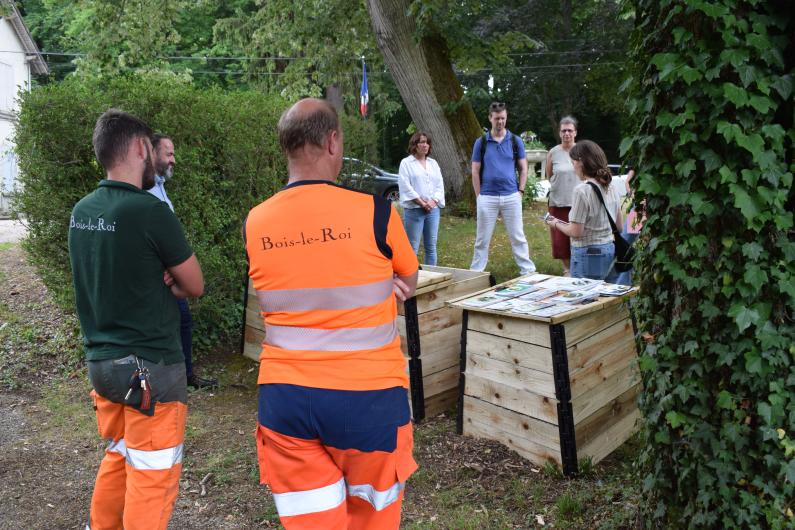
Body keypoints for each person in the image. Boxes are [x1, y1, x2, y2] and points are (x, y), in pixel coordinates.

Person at [244, 98, 420, 529]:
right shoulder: (377, 213)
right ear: (332, 141)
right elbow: (408, 280)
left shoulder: (256, 221)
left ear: (287, 147)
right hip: (370, 401)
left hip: (285, 401)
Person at [68, 109, 204, 530]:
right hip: (150, 370)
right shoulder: (149, 210)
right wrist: (174, 282)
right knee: (153, 472)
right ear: (140, 148)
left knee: (120, 455)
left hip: (103, 368)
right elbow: (195, 284)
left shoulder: (82, 210)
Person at [148, 133, 218, 389]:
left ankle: (185, 375)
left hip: (170, 274)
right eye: (169, 153)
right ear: (152, 153)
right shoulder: (144, 190)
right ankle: (174, 378)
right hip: (158, 279)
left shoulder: (160, 187)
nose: (173, 160)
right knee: (172, 324)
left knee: (183, 321)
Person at [470, 101, 536, 275]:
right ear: (490, 118)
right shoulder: (481, 142)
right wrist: (479, 196)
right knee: (482, 239)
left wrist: (520, 191)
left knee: (518, 236)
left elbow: (523, 168)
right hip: (487, 197)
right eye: (497, 118)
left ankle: (528, 271)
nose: (500, 122)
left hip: (511, 196)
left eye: (503, 118)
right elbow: (475, 171)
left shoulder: (515, 141)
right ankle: (476, 273)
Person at [545, 139, 621, 282]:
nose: (573, 167)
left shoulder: (582, 191)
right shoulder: (611, 187)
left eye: (573, 162)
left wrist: (555, 223)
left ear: (581, 162)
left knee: (584, 299)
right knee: (604, 298)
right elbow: (619, 226)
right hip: (609, 250)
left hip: (587, 254)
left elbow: (576, 232)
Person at [398, 131, 445, 265]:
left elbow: (439, 184)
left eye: (427, 142)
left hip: (433, 211)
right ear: (415, 145)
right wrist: (422, 203)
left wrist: (433, 201)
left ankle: (432, 278)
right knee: (412, 248)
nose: (425, 145)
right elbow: (405, 186)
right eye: (422, 142)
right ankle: (412, 279)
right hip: (414, 210)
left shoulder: (433, 163)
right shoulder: (406, 163)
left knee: (431, 248)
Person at [544, 116, 579, 276]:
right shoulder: (553, 152)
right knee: (560, 238)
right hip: (557, 201)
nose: (566, 133)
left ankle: (580, 265)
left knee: (579, 235)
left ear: (575, 132)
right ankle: (567, 269)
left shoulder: (581, 151)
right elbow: (549, 174)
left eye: (569, 130)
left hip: (578, 202)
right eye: (563, 130)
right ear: (559, 133)